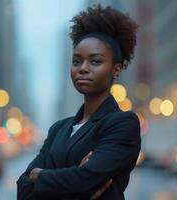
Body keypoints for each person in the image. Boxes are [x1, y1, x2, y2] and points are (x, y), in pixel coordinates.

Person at [17, 4, 140, 200]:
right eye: (76, 61)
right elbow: (22, 189)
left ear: (116, 69)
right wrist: (74, 186)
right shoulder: (58, 129)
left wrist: (38, 175)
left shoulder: (122, 123)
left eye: (95, 61)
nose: (82, 68)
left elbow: (84, 180)